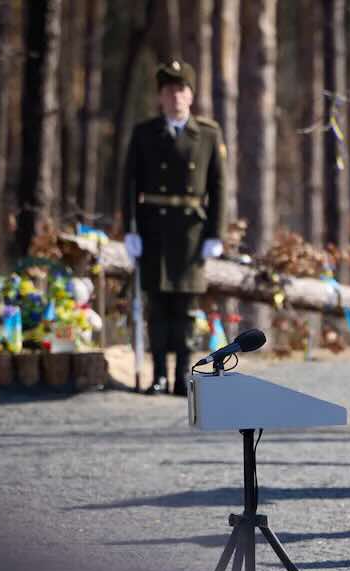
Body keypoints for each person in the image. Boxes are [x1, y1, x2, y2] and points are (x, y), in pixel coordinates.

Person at [121, 60, 226, 396]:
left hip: (190, 234)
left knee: (185, 309)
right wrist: (130, 229)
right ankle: (159, 376)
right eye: (169, 91)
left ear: (191, 96)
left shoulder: (207, 134)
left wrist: (214, 234)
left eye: (181, 90)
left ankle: (183, 376)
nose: (175, 97)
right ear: (160, 97)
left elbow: (218, 185)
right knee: (157, 308)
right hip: (152, 229)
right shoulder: (144, 133)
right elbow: (128, 183)